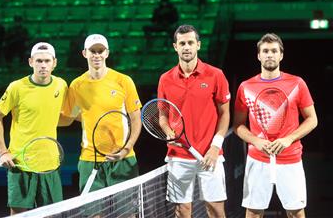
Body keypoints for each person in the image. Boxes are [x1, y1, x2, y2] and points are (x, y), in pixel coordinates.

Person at [233, 33, 318, 218]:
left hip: (290, 158)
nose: (269, 54)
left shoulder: (297, 83)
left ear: (281, 55)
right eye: (265, 51)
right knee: (254, 213)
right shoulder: (245, 86)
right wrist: (256, 141)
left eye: (274, 51)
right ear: (258, 56)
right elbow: (238, 125)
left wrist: (288, 139)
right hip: (258, 159)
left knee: (296, 212)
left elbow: (312, 119)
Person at [157, 24, 230, 218]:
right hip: (178, 156)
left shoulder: (216, 75)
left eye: (190, 42)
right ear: (175, 47)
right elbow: (162, 115)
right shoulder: (165, 79)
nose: (186, 47)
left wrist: (215, 147)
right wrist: (167, 130)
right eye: (182, 43)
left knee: (215, 208)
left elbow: (225, 113)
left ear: (198, 45)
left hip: (209, 155)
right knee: (182, 210)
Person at [0, 42, 67, 215]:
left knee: (54, 214)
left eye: (47, 61)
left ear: (55, 63)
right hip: (20, 164)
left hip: (50, 164)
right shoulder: (16, 87)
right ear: (31, 62)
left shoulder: (61, 86)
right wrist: (3, 152)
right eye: (39, 61)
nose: (43, 65)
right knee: (18, 214)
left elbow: (61, 118)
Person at [60, 34, 142, 193]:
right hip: (90, 159)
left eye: (100, 51)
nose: (97, 55)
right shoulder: (77, 85)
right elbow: (69, 118)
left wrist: (127, 148)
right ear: (85, 53)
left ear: (107, 53)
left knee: (127, 214)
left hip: (123, 158)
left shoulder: (123, 81)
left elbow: (136, 118)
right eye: (92, 51)